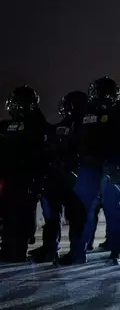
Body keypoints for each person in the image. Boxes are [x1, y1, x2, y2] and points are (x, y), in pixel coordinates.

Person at [60, 77, 120, 266]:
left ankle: (116, 251)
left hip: (112, 168)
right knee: (81, 212)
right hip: (88, 168)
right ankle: (78, 252)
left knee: (114, 210)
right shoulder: (84, 116)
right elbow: (73, 140)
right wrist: (72, 162)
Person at [29, 91, 88, 264]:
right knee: (52, 216)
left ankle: (76, 253)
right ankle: (50, 249)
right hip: (56, 177)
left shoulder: (83, 126)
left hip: (74, 178)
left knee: (75, 217)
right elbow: (48, 139)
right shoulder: (63, 126)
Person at [0, 86, 50, 263]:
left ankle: (16, 251)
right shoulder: (13, 125)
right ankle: (9, 247)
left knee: (20, 214)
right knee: (9, 213)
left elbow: (40, 154)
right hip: (12, 177)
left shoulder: (36, 126)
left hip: (25, 178)